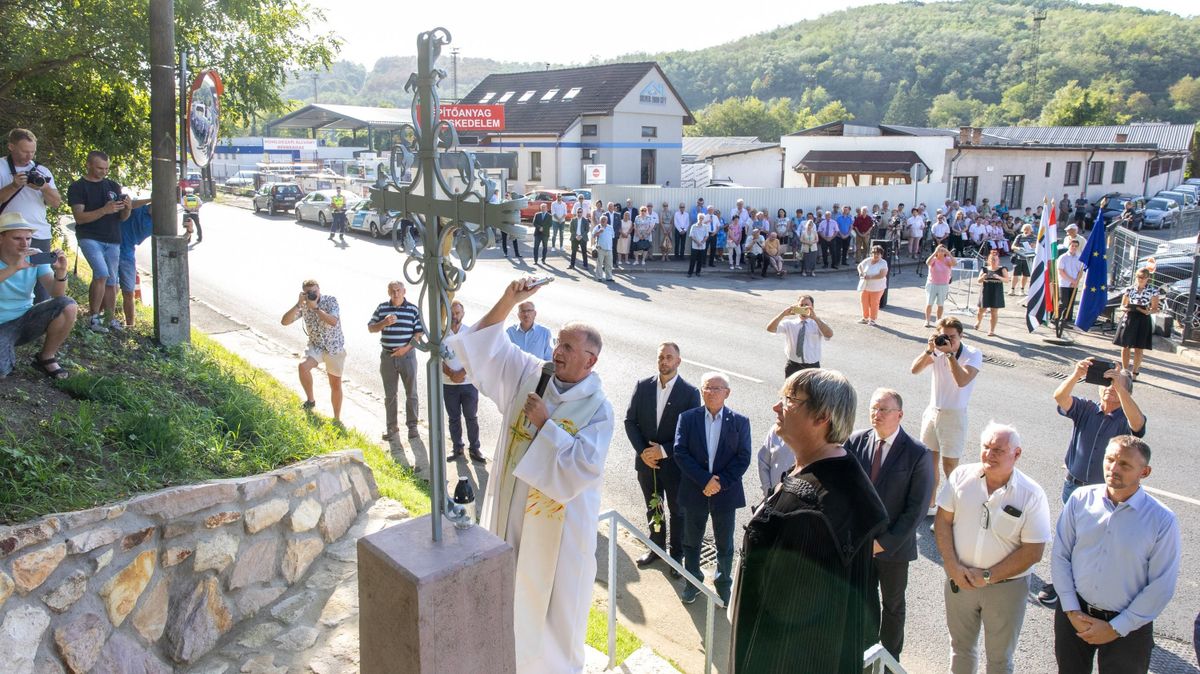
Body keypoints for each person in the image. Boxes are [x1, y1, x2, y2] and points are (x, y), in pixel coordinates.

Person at [445, 277, 612, 674]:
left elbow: (580, 471)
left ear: (590, 360)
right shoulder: (531, 376)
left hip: (561, 537)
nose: (558, 351)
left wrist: (545, 425)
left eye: (568, 348)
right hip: (508, 516)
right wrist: (508, 299)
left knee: (554, 618)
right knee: (505, 602)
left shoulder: (598, 409)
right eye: (558, 342)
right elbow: (483, 347)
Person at [730, 369, 888, 674]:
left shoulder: (810, 511)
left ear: (822, 418)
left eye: (790, 400)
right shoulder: (844, 475)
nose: (777, 407)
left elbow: (794, 639)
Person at [1052, 436, 1180, 674]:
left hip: (1129, 627)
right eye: (1110, 459)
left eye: (1124, 464)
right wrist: (1071, 609)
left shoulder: (1162, 520)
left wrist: (1115, 628)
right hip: (1074, 614)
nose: (1113, 468)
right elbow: (1061, 555)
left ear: (1145, 471)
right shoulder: (1080, 499)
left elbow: (1162, 585)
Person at [934, 422, 1052, 674]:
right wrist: (952, 566)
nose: (989, 454)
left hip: (1005, 588)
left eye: (998, 450)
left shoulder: (1031, 494)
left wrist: (988, 576)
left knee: (999, 660)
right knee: (960, 649)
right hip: (960, 580)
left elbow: (1034, 552)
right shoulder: (961, 477)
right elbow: (942, 522)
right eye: (986, 447)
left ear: (1017, 454)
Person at [1038, 358, 1146, 609]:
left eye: (1115, 383)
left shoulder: (1125, 418)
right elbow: (1060, 397)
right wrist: (1076, 374)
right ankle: (1061, 585)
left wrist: (1121, 387)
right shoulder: (1087, 409)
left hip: (1103, 494)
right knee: (1067, 539)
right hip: (1074, 486)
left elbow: (1138, 425)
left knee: (1092, 541)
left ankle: (1084, 588)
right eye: (1106, 382)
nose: (1109, 387)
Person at [845, 388, 935, 661]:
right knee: (865, 600)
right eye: (874, 408)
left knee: (893, 605)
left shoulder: (917, 453)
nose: (877, 414)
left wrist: (884, 543)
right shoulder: (855, 441)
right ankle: (869, 651)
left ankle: (890, 658)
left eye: (884, 409)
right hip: (860, 543)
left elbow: (916, 509)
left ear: (900, 415)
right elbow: (845, 490)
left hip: (894, 548)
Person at [623, 342, 701, 575]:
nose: (664, 361)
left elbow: (690, 433)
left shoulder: (689, 393)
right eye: (660, 357)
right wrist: (643, 452)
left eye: (669, 357)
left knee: (678, 511)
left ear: (678, 361)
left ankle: (676, 555)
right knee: (652, 505)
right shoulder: (643, 386)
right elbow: (630, 421)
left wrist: (663, 451)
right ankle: (655, 547)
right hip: (647, 462)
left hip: (674, 465)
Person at [674, 372, 751, 605]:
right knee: (691, 541)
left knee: (725, 544)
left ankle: (723, 586)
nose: (710, 392)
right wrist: (705, 480)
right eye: (706, 388)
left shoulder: (740, 422)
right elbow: (680, 452)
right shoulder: (687, 418)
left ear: (727, 393)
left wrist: (720, 483)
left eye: (716, 388)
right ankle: (692, 582)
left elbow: (743, 457)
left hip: (725, 495)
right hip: (694, 490)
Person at [912, 317, 982, 516]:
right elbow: (914, 370)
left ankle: (952, 512)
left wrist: (950, 355)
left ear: (961, 335)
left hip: (954, 415)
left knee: (950, 467)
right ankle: (930, 504)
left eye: (952, 337)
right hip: (933, 413)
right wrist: (929, 350)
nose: (948, 340)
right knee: (928, 463)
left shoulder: (973, 354)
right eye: (945, 336)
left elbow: (962, 381)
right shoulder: (936, 349)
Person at [0, 212, 77, 379]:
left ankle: (46, 357)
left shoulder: (34, 256)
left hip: (25, 318)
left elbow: (56, 294)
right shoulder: (22, 261)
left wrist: (61, 272)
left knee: (67, 305)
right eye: (17, 238)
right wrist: (14, 267)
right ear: (1, 238)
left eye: (28, 239)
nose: (24, 244)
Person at [68, 151, 131, 333]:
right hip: (89, 236)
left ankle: (108, 318)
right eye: (99, 168)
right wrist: (104, 210)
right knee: (101, 274)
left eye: (106, 168)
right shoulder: (78, 187)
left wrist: (127, 208)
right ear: (88, 165)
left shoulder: (112, 185)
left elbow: (122, 217)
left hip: (112, 238)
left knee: (112, 280)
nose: (104, 172)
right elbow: (79, 217)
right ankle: (94, 317)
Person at [1, 129, 62, 304]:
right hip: (7, 236)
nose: (29, 156)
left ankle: (37, 325)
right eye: (24, 151)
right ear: (11, 147)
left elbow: (56, 202)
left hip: (38, 235)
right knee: (6, 282)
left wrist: (44, 187)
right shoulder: (1, 167)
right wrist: (13, 186)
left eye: (33, 151)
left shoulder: (41, 170)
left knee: (42, 289)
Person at [281, 279, 346, 423]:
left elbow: (333, 321)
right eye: (308, 293)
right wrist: (299, 304)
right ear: (303, 293)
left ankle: (336, 418)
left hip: (333, 347)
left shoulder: (330, 301)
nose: (312, 295)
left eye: (314, 292)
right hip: (315, 345)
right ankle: (310, 401)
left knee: (335, 383)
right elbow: (284, 322)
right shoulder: (303, 306)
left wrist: (316, 308)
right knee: (303, 367)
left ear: (319, 290)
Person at [368, 281, 424, 441]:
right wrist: (384, 322)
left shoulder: (413, 310)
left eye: (398, 290)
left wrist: (405, 349)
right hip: (387, 357)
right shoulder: (382, 308)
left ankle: (412, 427)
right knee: (390, 395)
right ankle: (391, 427)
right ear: (388, 292)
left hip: (407, 357)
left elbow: (418, 335)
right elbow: (371, 328)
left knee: (411, 392)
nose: (396, 293)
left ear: (404, 291)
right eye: (392, 290)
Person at [442, 300, 483, 463]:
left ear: (463, 314)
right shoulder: (442, 334)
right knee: (453, 418)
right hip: (448, 384)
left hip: (469, 384)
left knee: (471, 417)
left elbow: (477, 357)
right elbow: (437, 358)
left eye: (458, 313)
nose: (455, 316)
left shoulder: (469, 333)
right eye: (452, 313)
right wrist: (451, 373)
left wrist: (462, 372)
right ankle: (457, 448)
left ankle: (475, 448)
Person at [766, 294, 833, 378]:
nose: (804, 307)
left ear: (812, 307)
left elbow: (829, 334)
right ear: (797, 307)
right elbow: (770, 329)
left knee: (811, 391)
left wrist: (815, 318)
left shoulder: (817, 323)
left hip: (812, 367)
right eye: (801, 305)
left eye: (807, 305)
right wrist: (782, 314)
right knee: (791, 391)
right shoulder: (789, 323)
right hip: (793, 365)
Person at [1113, 267, 1159, 377]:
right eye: (1139, 277)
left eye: (1143, 277)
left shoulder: (1153, 291)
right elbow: (1122, 305)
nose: (1141, 279)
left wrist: (1146, 311)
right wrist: (1126, 309)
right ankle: (1125, 371)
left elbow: (1155, 308)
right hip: (1129, 317)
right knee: (1125, 346)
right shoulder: (1129, 289)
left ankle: (1135, 372)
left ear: (1148, 278)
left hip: (1143, 319)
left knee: (1139, 347)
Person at [118, 201, 154, 327]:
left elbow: (173, 242)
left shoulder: (160, 222)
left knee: (129, 291)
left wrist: (189, 231)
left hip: (127, 254)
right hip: (110, 246)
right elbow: (128, 205)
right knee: (109, 286)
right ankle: (100, 316)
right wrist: (150, 198)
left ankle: (130, 325)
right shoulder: (139, 207)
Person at [975, 250, 1009, 336]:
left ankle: (992, 330)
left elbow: (1007, 280)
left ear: (998, 260)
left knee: (994, 312)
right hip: (985, 290)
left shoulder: (1002, 269)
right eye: (992, 259)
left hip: (996, 292)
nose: (994, 261)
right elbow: (978, 280)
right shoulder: (984, 269)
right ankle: (978, 322)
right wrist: (983, 277)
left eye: (995, 260)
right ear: (989, 260)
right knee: (981, 311)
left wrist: (999, 277)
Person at [925, 245, 957, 328]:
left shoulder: (948, 260)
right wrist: (935, 252)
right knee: (929, 303)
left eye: (943, 250)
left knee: (940, 304)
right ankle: (927, 320)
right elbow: (927, 262)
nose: (941, 252)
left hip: (943, 285)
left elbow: (955, 263)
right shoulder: (934, 259)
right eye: (940, 250)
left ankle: (938, 321)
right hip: (932, 284)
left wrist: (949, 253)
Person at [755, 428, 792, 499]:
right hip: (773, 497)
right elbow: (763, 462)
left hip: (799, 500)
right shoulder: (775, 430)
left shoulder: (811, 432)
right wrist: (768, 491)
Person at [857, 245, 889, 326]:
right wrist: (861, 272)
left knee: (874, 303)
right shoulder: (868, 260)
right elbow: (860, 266)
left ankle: (872, 319)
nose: (876, 255)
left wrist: (870, 277)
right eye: (874, 253)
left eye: (878, 253)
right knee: (864, 302)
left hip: (877, 288)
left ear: (881, 254)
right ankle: (865, 317)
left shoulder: (883, 263)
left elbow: (882, 275)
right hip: (865, 286)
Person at [1056, 238, 1084, 324]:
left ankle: (1066, 320)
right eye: (1072, 246)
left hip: (1074, 284)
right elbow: (1061, 271)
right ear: (1069, 246)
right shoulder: (1063, 257)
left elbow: (1080, 271)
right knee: (1063, 303)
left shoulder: (1079, 258)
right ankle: (1056, 318)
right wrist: (1071, 280)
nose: (1074, 248)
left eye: (1076, 246)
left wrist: (1076, 281)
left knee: (1070, 304)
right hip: (1064, 283)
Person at [1009, 223, 1036, 296]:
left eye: (1028, 229)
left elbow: (1035, 246)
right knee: (1015, 274)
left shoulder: (1034, 237)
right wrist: (1018, 248)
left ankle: (1022, 290)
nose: (1026, 231)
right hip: (1018, 257)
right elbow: (1013, 246)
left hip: (1028, 258)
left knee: (1025, 275)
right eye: (1025, 229)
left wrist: (1032, 246)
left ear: (1031, 230)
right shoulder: (1019, 236)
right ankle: (1012, 289)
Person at [592, 212, 614, 282]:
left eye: (605, 220)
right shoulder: (597, 227)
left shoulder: (610, 227)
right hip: (600, 249)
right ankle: (599, 277)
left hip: (609, 249)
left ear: (607, 221)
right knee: (599, 264)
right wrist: (598, 232)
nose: (603, 221)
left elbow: (612, 236)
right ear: (600, 221)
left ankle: (609, 277)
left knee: (609, 264)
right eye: (602, 220)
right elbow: (593, 236)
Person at [686, 214, 708, 278]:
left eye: (702, 218)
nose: (701, 219)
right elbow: (691, 236)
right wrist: (697, 242)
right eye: (700, 218)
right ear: (697, 218)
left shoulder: (705, 226)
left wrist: (702, 242)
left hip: (702, 246)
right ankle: (690, 273)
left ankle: (698, 272)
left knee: (700, 260)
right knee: (692, 260)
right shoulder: (693, 226)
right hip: (695, 246)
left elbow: (706, 236)